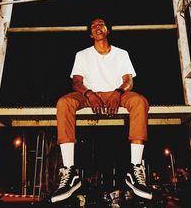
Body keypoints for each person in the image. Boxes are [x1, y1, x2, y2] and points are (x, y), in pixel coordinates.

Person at [50, 17, 152, 203]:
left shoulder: (121, 54)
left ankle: (135, 168)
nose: (97, 27)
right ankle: (69, 172)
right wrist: (89, 94)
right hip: (89, 95)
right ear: (91, 33)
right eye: (93, 26)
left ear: (107, 30)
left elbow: (129, 81)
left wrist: (118, 92)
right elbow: (76, 82)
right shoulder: (82, 55)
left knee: (139, 101)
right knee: (64, 103)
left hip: (117, 95)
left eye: (101, 24)